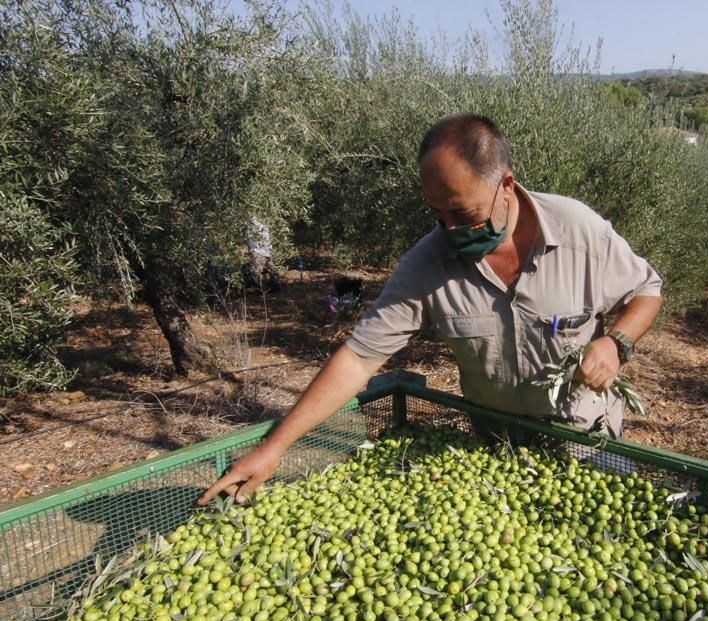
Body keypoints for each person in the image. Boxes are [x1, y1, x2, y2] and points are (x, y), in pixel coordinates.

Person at [199, 114, 662, 505]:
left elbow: (647, 289)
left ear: (506, 185)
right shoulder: (428, 262)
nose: (451, 230)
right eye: (438, 215)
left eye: (463, 215)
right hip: (494, 445)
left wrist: (616, 342)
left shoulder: (577, 231)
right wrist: (275, 446)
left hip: (584, 441)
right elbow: (359, 359)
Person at [244, 216, 284, 292]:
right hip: (267, 251)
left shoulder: (252, 224)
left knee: (255, 271)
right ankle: (277, 287)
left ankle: (261, 290)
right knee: (272, 270)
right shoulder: (264, 223)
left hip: (258, 252)